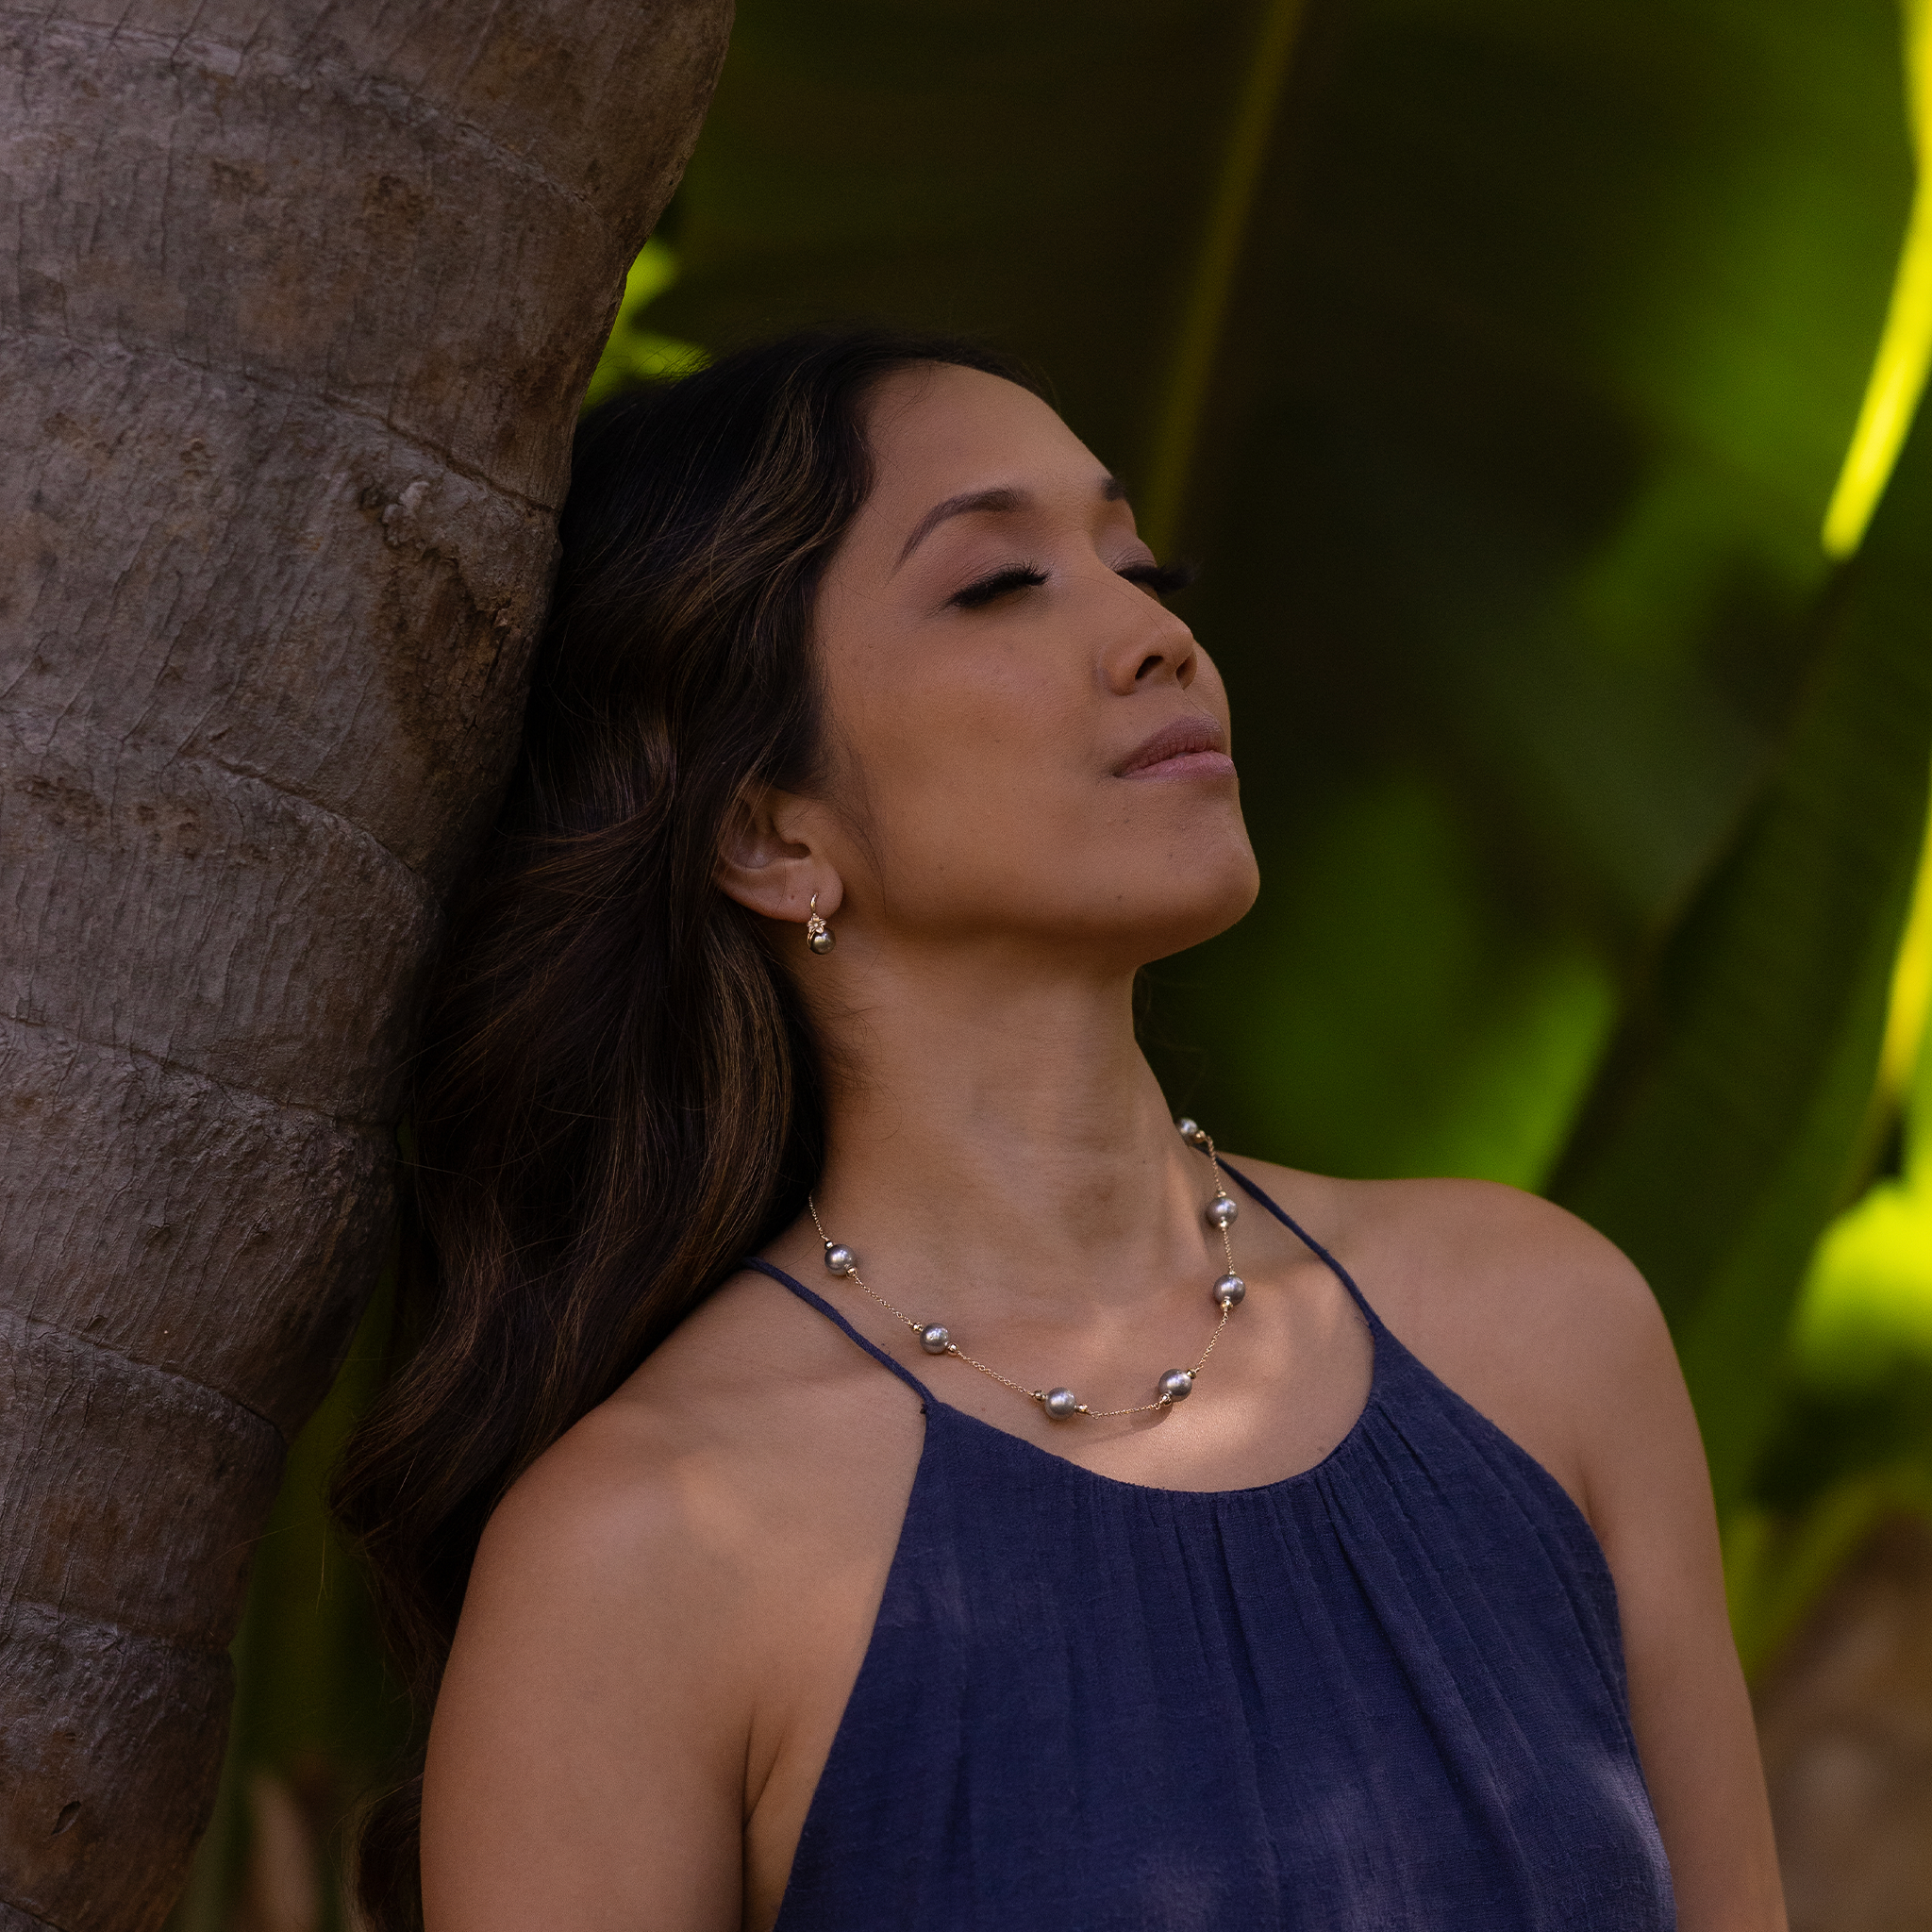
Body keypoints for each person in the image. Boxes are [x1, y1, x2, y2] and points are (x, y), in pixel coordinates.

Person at [336, 328, 1787, 1931]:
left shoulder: (1543, 1327)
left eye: (1137, 562)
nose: (1154, 634)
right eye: (998, 585)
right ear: (769, 832)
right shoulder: (645, 1553)